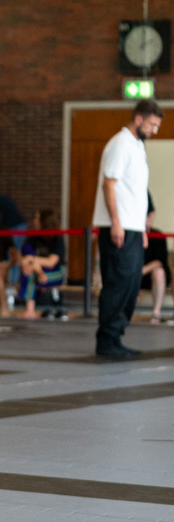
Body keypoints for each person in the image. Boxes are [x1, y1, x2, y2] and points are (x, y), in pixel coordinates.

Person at [92, 100, 163, 359]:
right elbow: (108, 185)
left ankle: (116, 336)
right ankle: (107, 341)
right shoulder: (121, 144)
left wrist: (141, 229)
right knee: (118, 283)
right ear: (139, 119)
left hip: (132, 228)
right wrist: (117, 223)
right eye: (152, 125)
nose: (154, 131)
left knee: (131, 284)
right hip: (118, 228)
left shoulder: (136, 147)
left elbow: (135, 193)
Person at [17, 209, 67, 320]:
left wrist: (31, 259)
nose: (34, 220)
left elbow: (51, 262)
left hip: (56, 272)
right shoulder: (33, 237)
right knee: (30, 271)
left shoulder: (57, 237)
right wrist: (31, 263)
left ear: (44, 221)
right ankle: (29, 311)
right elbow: (21, 257)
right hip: (36, 271)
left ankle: (30, 310)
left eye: (37, 218)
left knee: (31, 267)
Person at [141, 197, 171, 324]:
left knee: (159, 272)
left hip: (150, 275)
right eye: (147, 217)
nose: (150, 220)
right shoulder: (131, 235)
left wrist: (141, 270)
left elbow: (160, 261)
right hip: (134, 273)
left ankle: (156, 313)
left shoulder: (157, 235)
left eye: (150, 217)